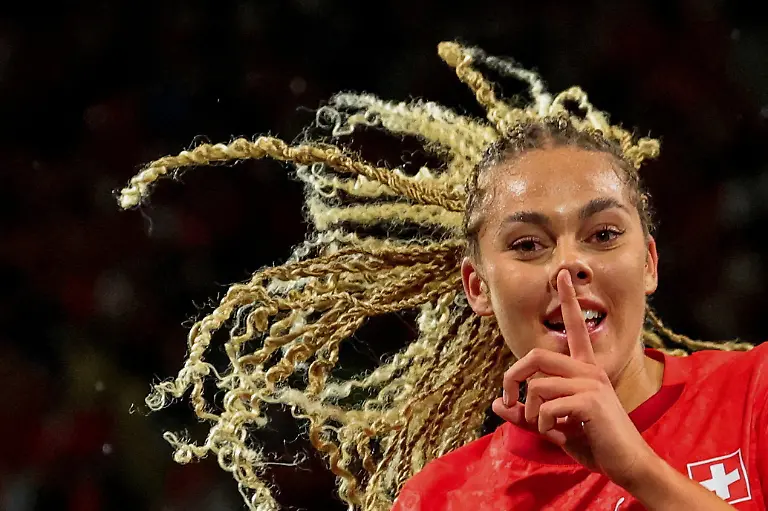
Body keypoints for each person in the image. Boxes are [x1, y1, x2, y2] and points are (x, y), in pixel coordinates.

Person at [117, 42, 765, 510]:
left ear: (649, 261)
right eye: (529, 243)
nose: (570, 263)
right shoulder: (447, 499)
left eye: (602, 234)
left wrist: (638, 469)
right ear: (478, 286)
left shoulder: (754, 395)